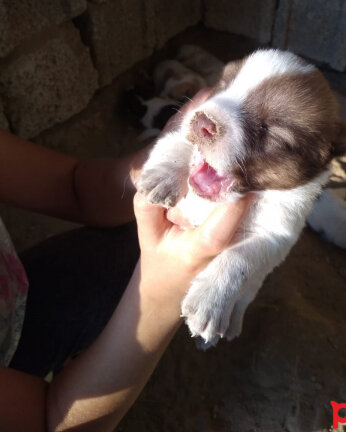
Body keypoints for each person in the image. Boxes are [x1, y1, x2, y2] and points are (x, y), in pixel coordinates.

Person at [0, 95, 253, 431]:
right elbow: (50, 420)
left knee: (128, 250)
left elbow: (74, 186)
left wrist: (159, 159)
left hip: (12, 303)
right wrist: (162, 290)